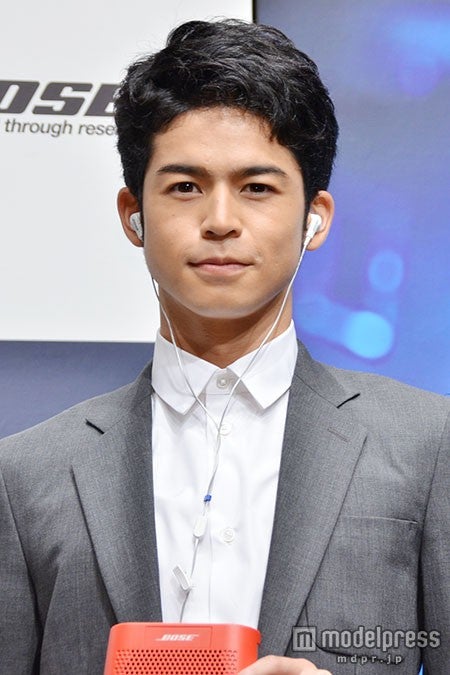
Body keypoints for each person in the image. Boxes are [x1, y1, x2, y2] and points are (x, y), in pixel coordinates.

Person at [0, 18, 448, 675]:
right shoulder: (26, 473)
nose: (219, 220)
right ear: (132, 214)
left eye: (256, 188)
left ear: (315, 217)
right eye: (185, 186)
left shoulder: (429, 445)